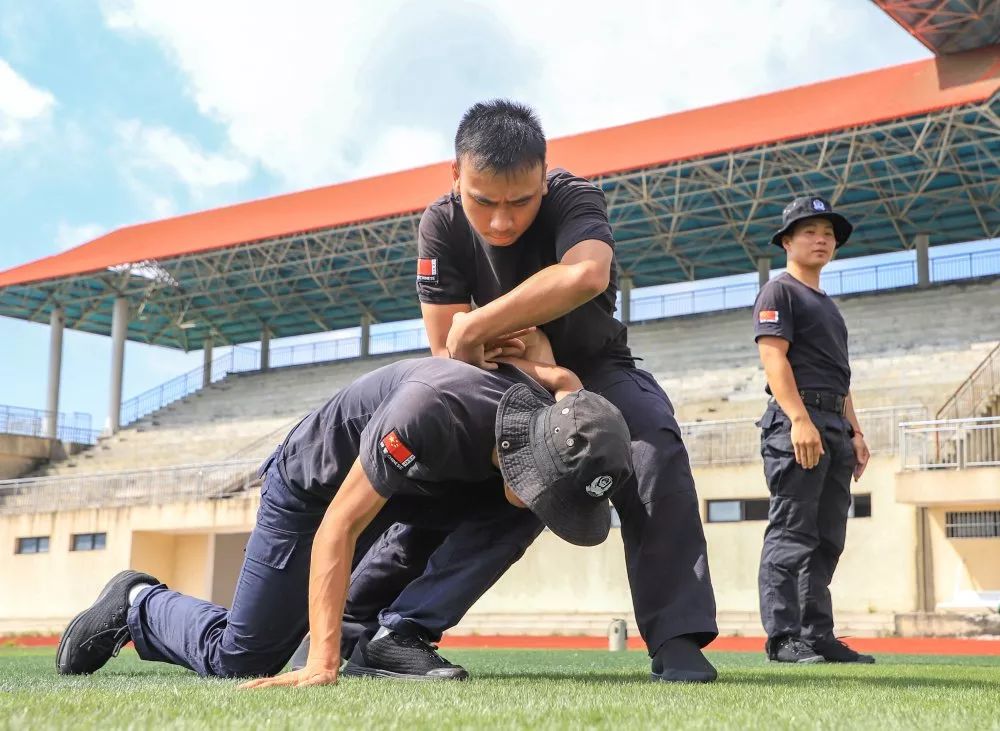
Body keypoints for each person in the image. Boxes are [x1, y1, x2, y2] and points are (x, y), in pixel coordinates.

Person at [344, 99, 719, 684]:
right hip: (498, 379)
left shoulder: (575, 197)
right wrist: (526, 360)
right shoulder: (440, 223)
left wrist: (480, 323)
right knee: (466, 487)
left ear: (544, 178)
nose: (501, 221)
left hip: (599, 368)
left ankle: (676, 639)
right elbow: (449, 351)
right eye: (483, 201)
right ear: (456, 177)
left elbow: (586, 274)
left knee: (653, 449)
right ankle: (365, 627)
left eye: (520, 201)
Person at [56, 355, 634, 687]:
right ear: (523, 449)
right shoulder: (428, 414)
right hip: (316, 494)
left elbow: (566, 385)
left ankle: (392, 638)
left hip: (417, 493)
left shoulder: (557, 417)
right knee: (242, 659)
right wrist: (322, 662)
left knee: (519, 514)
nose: (547, 503)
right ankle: (139, 604)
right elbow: (340, 526)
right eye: (546, 488)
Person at [753, 195, 874, 665]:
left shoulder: (829, 306)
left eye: (828, 233)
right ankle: (783, 638)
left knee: (826, 538)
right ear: (786, 241)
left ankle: (816, 635)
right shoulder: (778, 292)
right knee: (791, 531)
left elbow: (840, 377)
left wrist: (855, 433)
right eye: (809, 231)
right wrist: (800, 419)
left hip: (834, 427)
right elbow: (773, 357)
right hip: (798, 423)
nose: (821, 239)